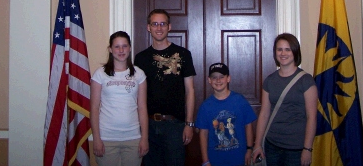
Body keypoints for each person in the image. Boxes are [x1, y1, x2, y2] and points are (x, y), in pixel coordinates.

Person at [134, 9, 196, 166]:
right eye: (155, 24)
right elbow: (137, 95)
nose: (159, 28)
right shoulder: (140, 59)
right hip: (148, 126)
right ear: (149, 27)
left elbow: (190, 91)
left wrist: (189, 124)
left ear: (169, 27)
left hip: (175, 126)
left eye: (163, 24)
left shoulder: (183, 54)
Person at [252, 33, 318, 166]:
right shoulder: (269, 81)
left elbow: (312, 117)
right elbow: (264, 114)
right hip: (272, 146)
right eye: (279, 49)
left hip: (296, 149)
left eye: (287, 49)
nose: (283, 53)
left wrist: (307, 148)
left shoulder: (306, 81)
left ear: (295, 52)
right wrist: (258, 144)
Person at [90, 31, 149, 166]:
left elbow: (142, 107)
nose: (121, 50)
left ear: (129, 48)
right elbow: (93, 108)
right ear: (110, 49)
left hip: (133, 138)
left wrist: (144, 138)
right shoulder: (100, 74)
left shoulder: (139, 74)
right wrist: (96, 138)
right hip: (106, 138)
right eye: (117, 47)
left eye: (124, 46)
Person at [195, 63, 257, 166]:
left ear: (228, 78)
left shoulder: (239, 100)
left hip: (239, 158)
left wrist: (249, 149)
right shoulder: (205, 106)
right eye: (214, 78)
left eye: (221, 77)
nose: (218, 81)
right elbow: (203, 134)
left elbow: (248, 126)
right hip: (215, 159)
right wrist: (205, 161)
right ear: (209, 80)